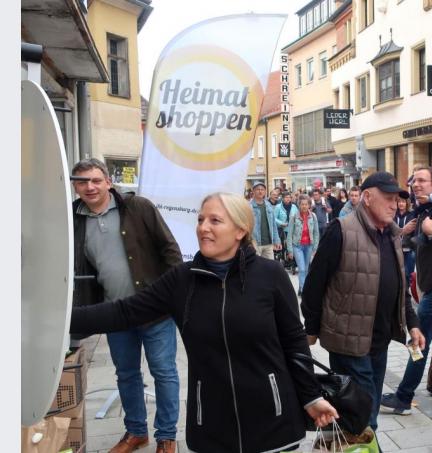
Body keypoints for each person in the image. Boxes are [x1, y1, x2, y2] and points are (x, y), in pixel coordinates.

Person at [70, 193, 338, 453]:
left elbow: (294, 342)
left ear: (240, 231)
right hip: (211, 420)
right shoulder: (182, 280)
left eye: (215, 221)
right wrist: (60, 320)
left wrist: (312, 397)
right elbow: (124, 312)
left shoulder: (271, 275)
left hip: (271, 413)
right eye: (200, 220)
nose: (203, 228)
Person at [70, 158, 182, 453]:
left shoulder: (138, 207)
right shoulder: (73, 218)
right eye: (82, 181)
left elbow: (170, 249)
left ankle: (167, 435)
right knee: (126, 373)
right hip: (113, 313)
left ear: (108, 181)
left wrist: (174, 296)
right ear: (74, 185)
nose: (90, 187)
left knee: (164, 372)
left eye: (95, 180)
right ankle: (136, 432)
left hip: (154, 310)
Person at [302, 172, 425, 433]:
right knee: (364, 418)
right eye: (389, 198)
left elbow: (400, 287)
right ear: (367, 198)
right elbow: (314, 284)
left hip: (378, 341)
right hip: (348, 343)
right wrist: (311, 329)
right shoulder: (341, 230)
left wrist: (412, 324)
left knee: (366, 412)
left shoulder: (392, 234)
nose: (395, 205)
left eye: (398, 199)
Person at [380, 166, 432, 415]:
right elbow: (416, 246)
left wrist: (430, 235)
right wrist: (410, 235)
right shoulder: (425, 212)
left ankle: (404, 397)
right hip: (430, 288)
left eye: (422, 181)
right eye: (413, 180)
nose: (416, 185)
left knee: (418, 344)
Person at [286, 194, 319, 296]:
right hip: (297, 246)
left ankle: (302, 287)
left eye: (306, 204)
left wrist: (315, 247)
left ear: (309, 205)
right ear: (299, 205)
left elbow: (316, 233)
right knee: (302, 268)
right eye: (302, 204)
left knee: (306, 268)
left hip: (309, 245)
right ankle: (303, 289)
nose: (304, 206)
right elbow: (289, 234)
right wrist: (290, 250)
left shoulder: (313, 216)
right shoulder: (294, 217)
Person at [249, 182, 282, 260]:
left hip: (268, 243)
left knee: (269, 268)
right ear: (253, 191)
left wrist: (277, 240)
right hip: (255, 243)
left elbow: (273, 224)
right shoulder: (248, 206)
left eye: (262, 189)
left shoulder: (268, 205)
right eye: (258, 189)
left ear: (265, 191)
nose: (260, 191)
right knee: (256, 268)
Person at [393, 196, 417, 289]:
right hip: (396, 249)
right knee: (397, 273)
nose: (401, 204)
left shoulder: (412, 215)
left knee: (407, 274)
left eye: (403, 202)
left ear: (407, 203)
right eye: (399, 202)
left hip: (409, 249)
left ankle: (406, 294)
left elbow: (414, 232)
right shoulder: (393, 215)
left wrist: (412, 244)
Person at [275, 192, 299, 273]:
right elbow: (274, 218)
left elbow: (298, 216)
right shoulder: (278, 207)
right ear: (282, 198)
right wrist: (281, 223)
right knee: (284, 247)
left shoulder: (294, 207)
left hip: (293, 230)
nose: (288, 199)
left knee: (292, 246)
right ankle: (285, 262)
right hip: (283, 230)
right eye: (286, 197)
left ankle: (293, 263)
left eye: (289, 197)